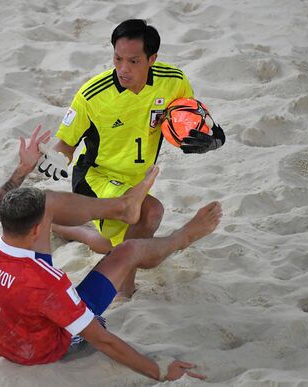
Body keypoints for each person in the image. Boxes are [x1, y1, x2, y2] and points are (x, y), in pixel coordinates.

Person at [0, 125, 222, 381]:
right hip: (42, 350)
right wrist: (159, 371)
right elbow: (103, 341)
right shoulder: (46, 282)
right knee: (128, 250)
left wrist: (23, 169)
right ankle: (182, 237)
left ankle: (119, 209)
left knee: (48, 201)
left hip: (2, 336)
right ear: (37, 230)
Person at [37, 19, 225, 297]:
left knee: (111, 242)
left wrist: (213, 141)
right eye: (117, 58)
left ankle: (61, 226)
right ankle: (124, 288)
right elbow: (66, 144)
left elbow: (197, 122)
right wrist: (52, 163)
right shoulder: (92, 95)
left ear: (152, 59)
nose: (123, 68)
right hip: (95, 177)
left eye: (134, 61)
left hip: (136, 180)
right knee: (150, 213)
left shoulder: (173, 82)